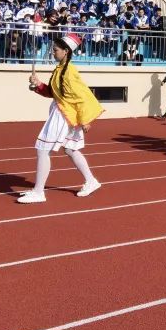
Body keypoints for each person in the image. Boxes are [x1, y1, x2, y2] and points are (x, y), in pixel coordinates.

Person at [19, 33, 103, 203]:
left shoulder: (69, 72)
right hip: (64, 113)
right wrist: (38, 84)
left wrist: (85, 120)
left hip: (64, 114)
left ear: (66, 51)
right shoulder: (60, 69)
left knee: (43, 149)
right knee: (71, 149)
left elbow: (82, 97)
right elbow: (53, 92)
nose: (53, 52)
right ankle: (91, 181)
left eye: (55, 50)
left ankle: (39, 192)